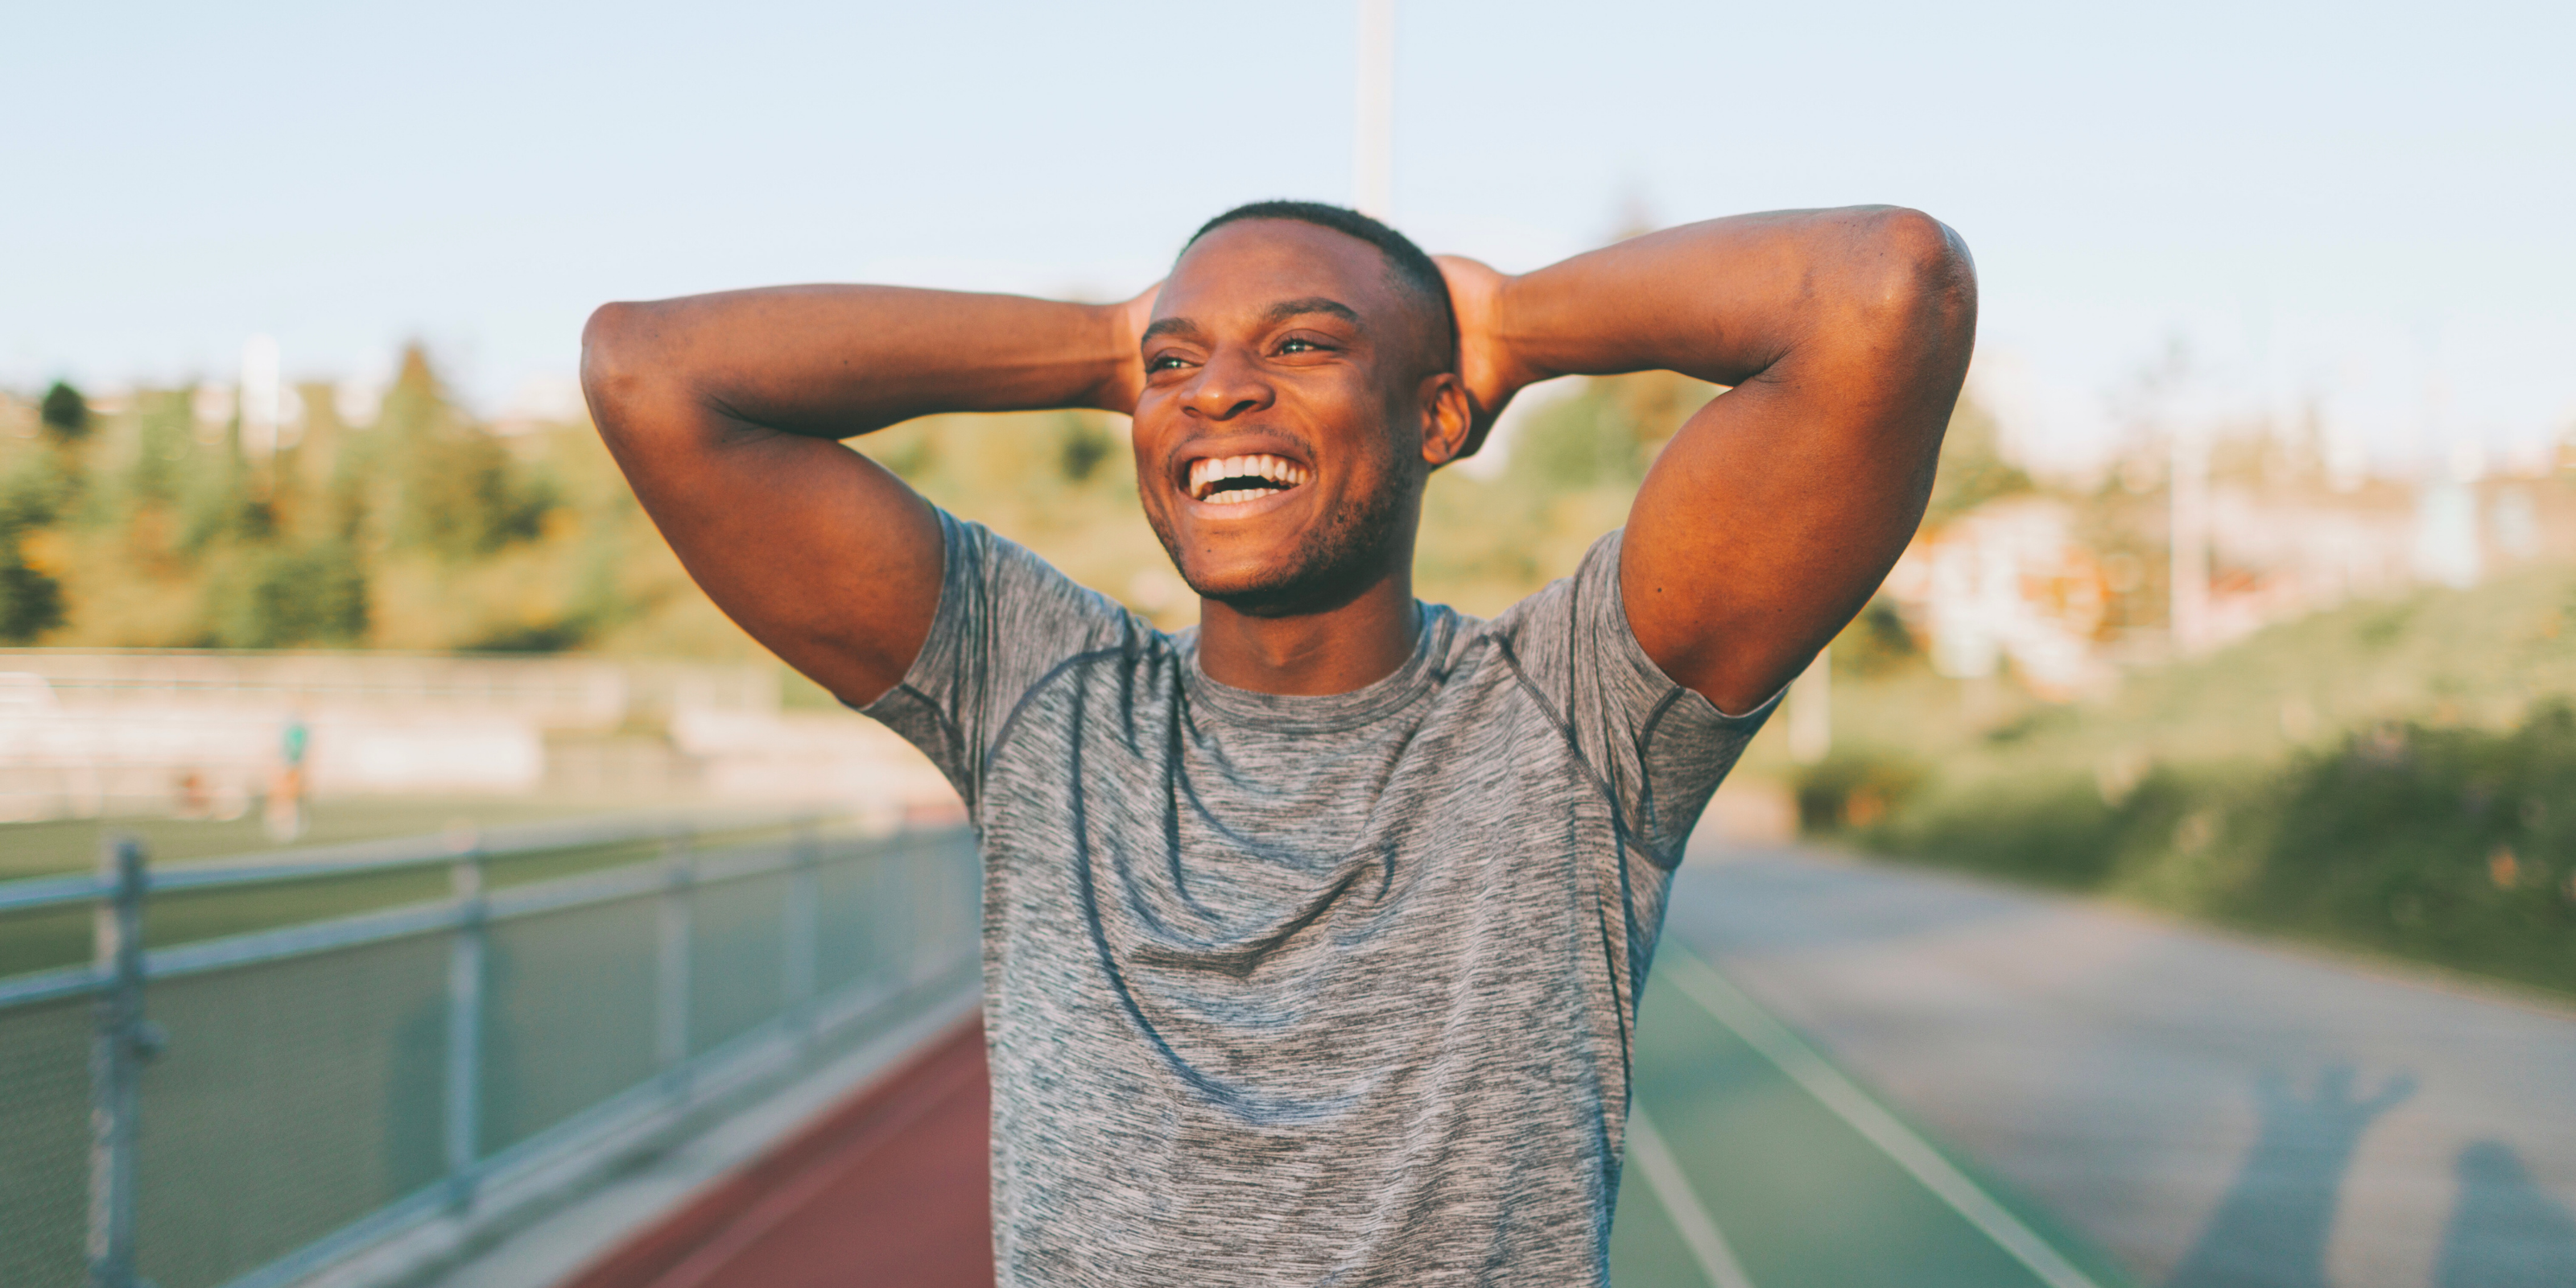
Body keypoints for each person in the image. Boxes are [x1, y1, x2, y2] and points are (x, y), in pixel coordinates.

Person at [581, 200, 1975, 1286]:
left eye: (1301, 346)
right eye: (1178, 367)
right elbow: (652, 370)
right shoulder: (1039, 693)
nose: (1219, 393)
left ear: (1437, 414)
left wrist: (1512, 322)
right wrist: (1104, 344)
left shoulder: (1575, 714)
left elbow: (1884, 287)